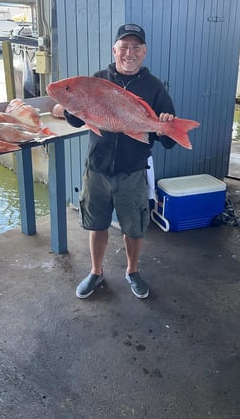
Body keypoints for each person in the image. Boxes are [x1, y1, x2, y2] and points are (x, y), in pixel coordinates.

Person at [64, 23, 176, 300]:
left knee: (134, 228)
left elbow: (169, 138)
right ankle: (95, 271)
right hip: (97, 170)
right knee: (97, 225)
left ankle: (132, 271)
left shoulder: (154, 87)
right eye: (124, 46)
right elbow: (77, 119)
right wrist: (67, 105)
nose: (129, 52)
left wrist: (165, 125)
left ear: (145, 52)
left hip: (133, 171)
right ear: (114, 49)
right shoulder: (97, 80)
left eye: (136, 47)